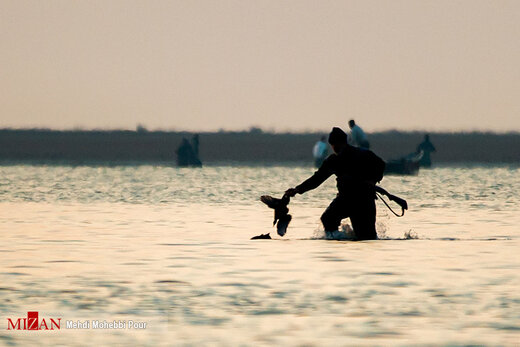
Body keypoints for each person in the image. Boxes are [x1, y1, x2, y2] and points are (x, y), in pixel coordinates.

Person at [285, 127, 383, 240]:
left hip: (363, 200)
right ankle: (338, 239)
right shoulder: (333, 160)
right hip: (345, 199)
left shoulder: (362, 154)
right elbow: (317, 179)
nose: (335, 148)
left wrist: (372, 180)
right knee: (328, 219)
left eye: (336, 144)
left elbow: (380, 164)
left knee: (366, 236)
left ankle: (342, 238)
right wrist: (298, 190)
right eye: (332, 145)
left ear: (343, 143)